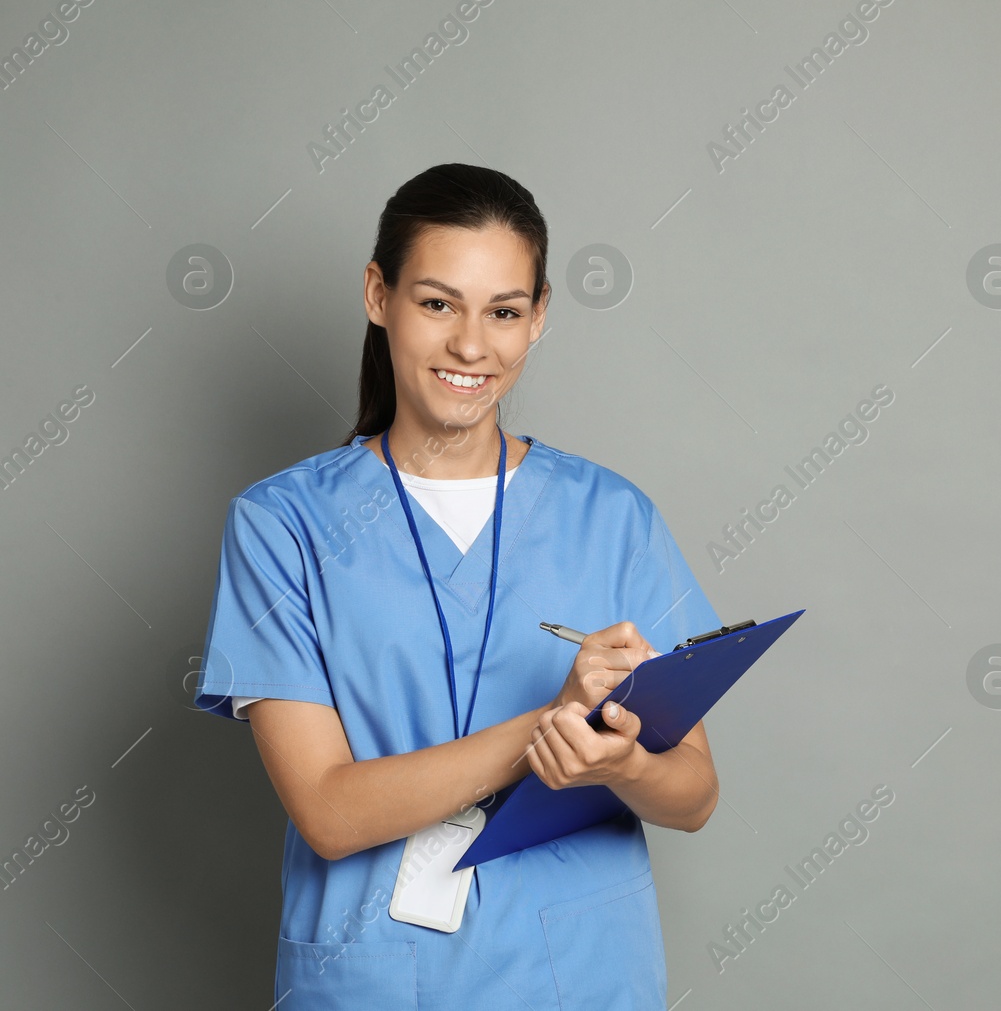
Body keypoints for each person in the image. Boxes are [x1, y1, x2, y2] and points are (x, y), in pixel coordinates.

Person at [194, 162, 723, 1009]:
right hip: (374, 975)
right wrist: (548, 727)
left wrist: (621, 760)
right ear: (378, 294)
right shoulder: (281, 525)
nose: (472, 345)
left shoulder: (612, 515)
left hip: (583, 972)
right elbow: (329, 812)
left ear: (538, 316)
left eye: (504, 312)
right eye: (438, 303)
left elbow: (693, 794)